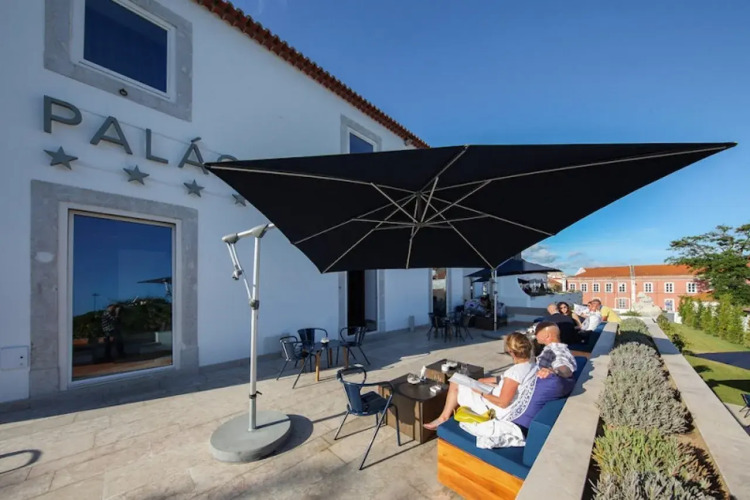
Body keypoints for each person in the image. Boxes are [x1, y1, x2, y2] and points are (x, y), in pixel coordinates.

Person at [423, 332, 537, 430]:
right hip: (496, 393)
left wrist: (481, 393)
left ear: (511, 351)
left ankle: (443, 418)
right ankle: (448, 413)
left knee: (455, 382)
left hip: (495, 408)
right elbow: (506, 381)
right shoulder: (531, 365)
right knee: (460, 378)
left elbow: (503, 403)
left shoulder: (514, 373)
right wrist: (485, 380)